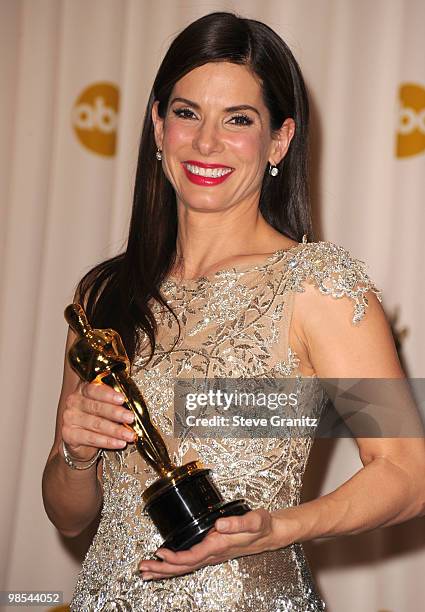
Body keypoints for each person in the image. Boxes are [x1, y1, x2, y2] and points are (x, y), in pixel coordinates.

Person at [42, 11, 425, 611]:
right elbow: (69, 518)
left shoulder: (317, 284)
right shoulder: (104, 296)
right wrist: (75, 452)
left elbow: (407, 471)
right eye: (187, 113)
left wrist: (277, 528)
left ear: (279, 140)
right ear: (157, 124)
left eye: (238, 120)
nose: (206, 142)